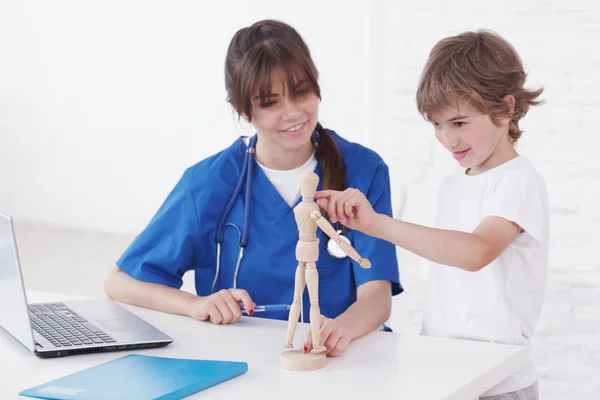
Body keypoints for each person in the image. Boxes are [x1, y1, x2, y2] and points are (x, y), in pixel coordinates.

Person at [104, 19, 402, 357]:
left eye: (301, 92)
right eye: (270, 102)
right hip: (239, 357)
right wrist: (195, 304)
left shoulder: (364, 170)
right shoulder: (208, 182)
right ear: (243, 109)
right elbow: (119, 282)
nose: (292, 113)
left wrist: (340, 329)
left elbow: (377, 296)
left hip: (340, 355)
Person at [315, 30, 548, 397]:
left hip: (499, 384)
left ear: (505, 108)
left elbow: (476, 252)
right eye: (437, 125)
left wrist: (377, 224)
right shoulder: (453, 186)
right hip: (449, 372)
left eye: (458, 123)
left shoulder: (518, 181)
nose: (447, 139)